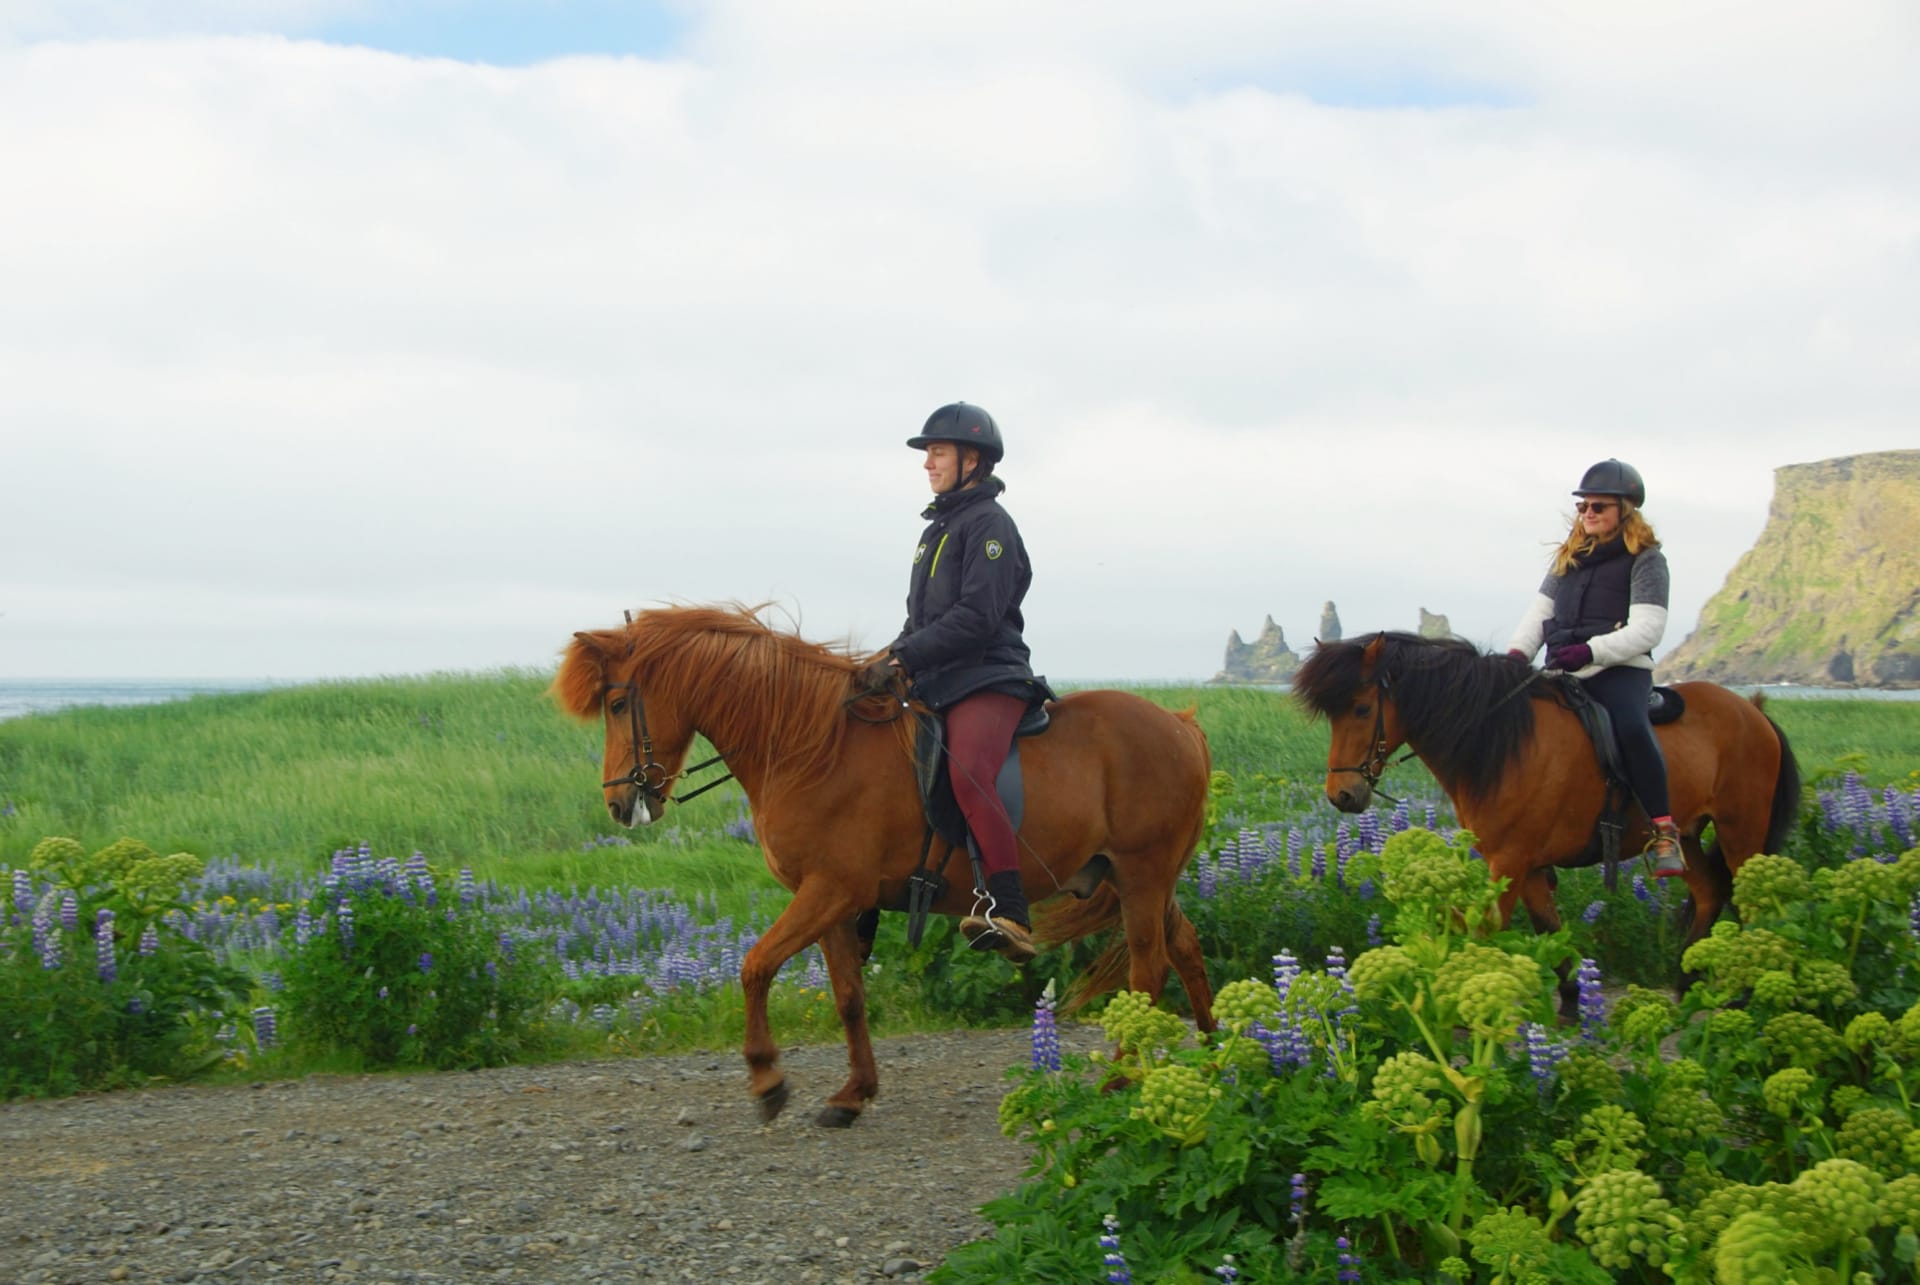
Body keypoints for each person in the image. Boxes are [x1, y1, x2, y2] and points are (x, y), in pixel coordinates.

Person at [859, 401, 1051, 961]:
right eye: (928, 454)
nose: (927, 463)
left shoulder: (990, 526)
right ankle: (862, 896)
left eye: (937, 452)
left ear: (973, 459)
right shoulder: (937, 529)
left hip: (987, 674)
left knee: (970, 774)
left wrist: (907, 656)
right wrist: (890, 656)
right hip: (939, 673)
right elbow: (921, 620)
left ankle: (1010, 909)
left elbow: (976, 618)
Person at [1506, 459, 1684, 877]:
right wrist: (1516, 656)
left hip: (1620, 670)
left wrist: (1591, 652)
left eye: (1598, 506)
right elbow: (1539, 614)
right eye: (1584, 506)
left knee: (1631, 727)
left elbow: (1649, 628)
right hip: (1563, 669)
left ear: (1624, 510)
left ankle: (1663, 829)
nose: (1588, 513)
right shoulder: (1567, 559)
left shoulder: (1647, 560)